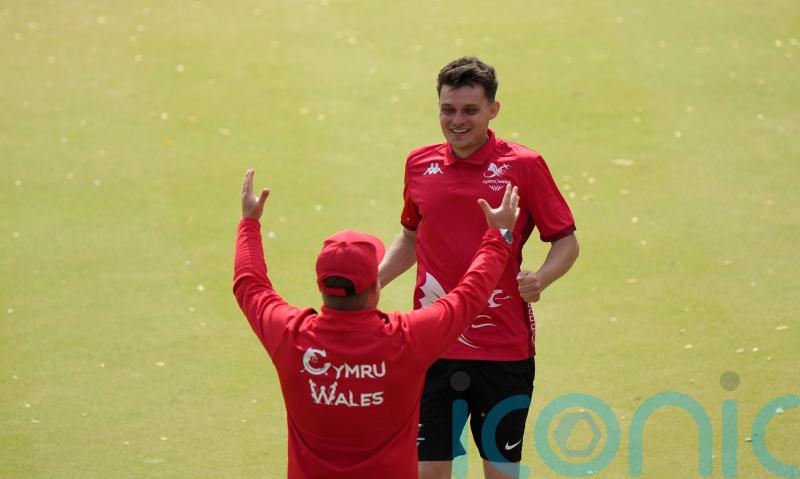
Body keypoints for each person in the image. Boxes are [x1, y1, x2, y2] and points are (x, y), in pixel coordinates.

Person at [233, 169, 520, 479]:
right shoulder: (407, 339)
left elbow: (249, 285)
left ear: (321, 287)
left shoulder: (290, 335)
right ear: (375, 287)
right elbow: (468, 297)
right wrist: (499, 235)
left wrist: (250, 222)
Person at [378, 57, 580, 479]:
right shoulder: (419, 164)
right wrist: (373, 281)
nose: (457, 121)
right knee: (428, 472)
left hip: (502, 350)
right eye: (448, 110)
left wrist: (541, 277)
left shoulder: (523, 166)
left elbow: (566, 240)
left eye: (470, 110)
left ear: (493, 110)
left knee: (500, 473)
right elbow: (412, 237)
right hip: (431, 343)